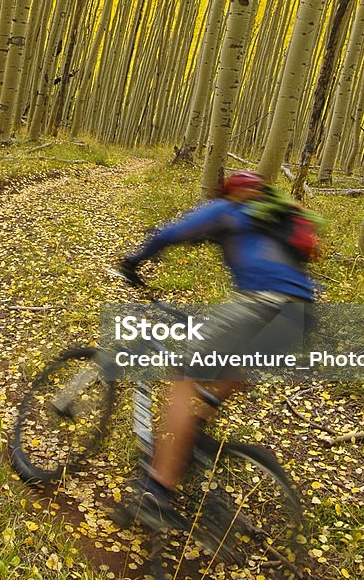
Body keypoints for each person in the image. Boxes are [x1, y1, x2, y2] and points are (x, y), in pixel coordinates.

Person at [111, 170, 317, 531]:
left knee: (183, 377)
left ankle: (157, 489)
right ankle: (195, 437)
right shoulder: (273, 218)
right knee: (235, 370)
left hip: (262, 303)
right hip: (302, 315)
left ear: (231, 192)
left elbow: (171, 233)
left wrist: (134, 261)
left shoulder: (227, 208)